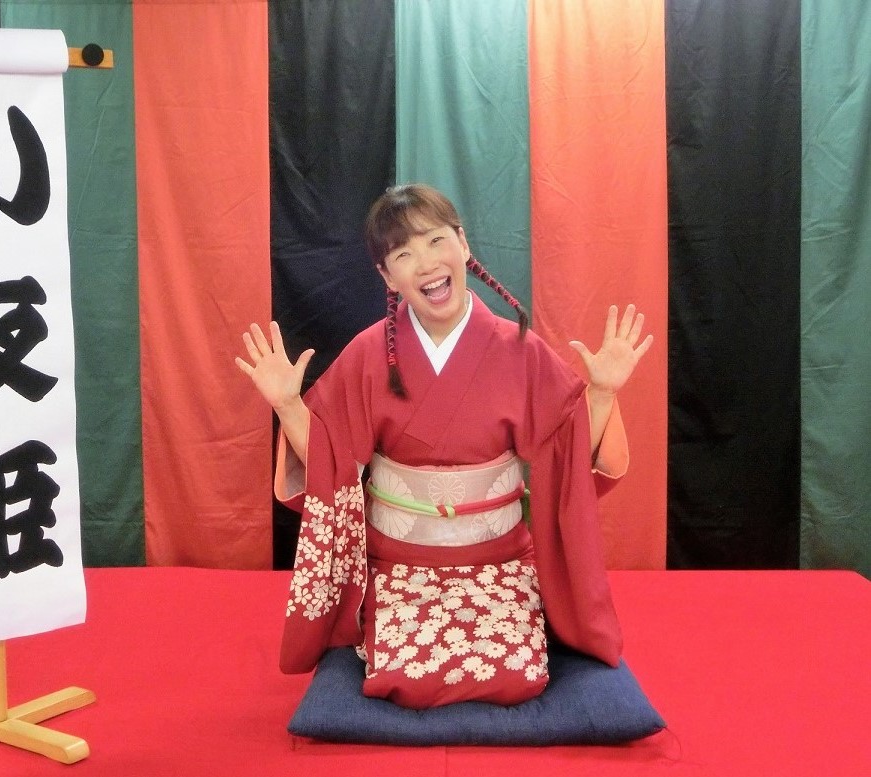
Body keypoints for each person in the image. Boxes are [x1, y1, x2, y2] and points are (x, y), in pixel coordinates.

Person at [236, 184, 652, 710]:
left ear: (463, 244)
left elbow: (567, 455)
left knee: (516, 678)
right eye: (403, 254)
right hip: (400, 563)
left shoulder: (519, 349)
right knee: (404, 679)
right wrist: (288, 405)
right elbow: (330, 463)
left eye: (436, 241)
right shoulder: (367, 354)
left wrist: (603, 393)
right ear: (388, 276)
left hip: (497, 561)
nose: (427, 263)